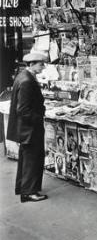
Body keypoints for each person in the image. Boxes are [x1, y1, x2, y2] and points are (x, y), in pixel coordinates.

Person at [7, 52, 49, 202]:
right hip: (30, 129)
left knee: (26, 160)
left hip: (24, 129)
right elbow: (23, 110)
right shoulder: (27, 81)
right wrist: (38, 118)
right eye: (40, 64)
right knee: (33, 160)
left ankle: (24, 189)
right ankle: (30, 192)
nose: (43, 67)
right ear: (32, 64)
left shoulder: (23, 76)